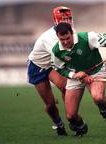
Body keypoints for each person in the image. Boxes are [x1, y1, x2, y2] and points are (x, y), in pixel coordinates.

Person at [51, 22, 106, 136]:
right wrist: (74, 75)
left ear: (72, 33)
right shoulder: (56, 50)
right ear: (57, 37)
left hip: (96, 72)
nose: (65, 42)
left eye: (68, 38)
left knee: (98, 97)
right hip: (76, 77)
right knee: (71, 116)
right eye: (62, 39)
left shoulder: (87, 37)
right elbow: (58, 68)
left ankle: (105, 113)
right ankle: (81, 125)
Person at [27, 6, 74, 136]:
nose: (67, 21)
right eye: (63, 19)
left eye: (69, 18)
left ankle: (72, 117)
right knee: (51, 104)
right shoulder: (50, 38)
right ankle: (58, 124)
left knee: (66, 87)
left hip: (52, 65)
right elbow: (64, 57)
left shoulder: (71, 31)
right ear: (56, 21)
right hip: (38, 67)